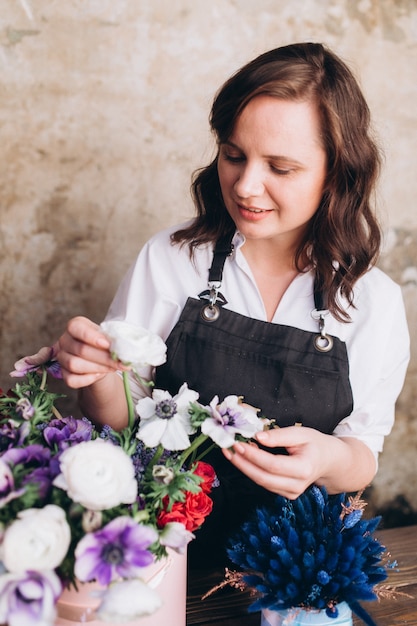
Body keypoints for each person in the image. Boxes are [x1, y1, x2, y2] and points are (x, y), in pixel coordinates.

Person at [56, 42, 410, 567]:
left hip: (294, 571)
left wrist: (328, 459)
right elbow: (119, 416)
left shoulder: (371, 302)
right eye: (234, 155)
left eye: (281, 168)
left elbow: (361, 456)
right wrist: (96, 373)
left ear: (337, 173)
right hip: (162, 551)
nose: (245, 186)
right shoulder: (174, 258)